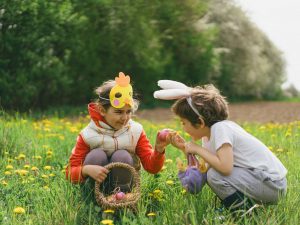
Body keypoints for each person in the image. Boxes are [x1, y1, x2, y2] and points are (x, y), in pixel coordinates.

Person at [154, 80, 287, 212]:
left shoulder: (220, 129)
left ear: (200, 122)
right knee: (212, 173)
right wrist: (185, 148)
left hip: (273, 185)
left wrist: (197, 149)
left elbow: (225, 168)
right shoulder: (209, 135)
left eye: (183, 123)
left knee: (215, 176)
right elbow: (203, 169)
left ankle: (245, 213)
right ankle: (246, 207)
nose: (182, 127)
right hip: (263, 181)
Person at [66, 72, 168, 200]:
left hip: (124, 186)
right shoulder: (88, 135)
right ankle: (93, 198)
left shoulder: (136, 131)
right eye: (119, 112)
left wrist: (159, 149)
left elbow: (152, 168)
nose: (125, 118)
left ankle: (121, 198)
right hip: (96, 185)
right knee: (96, 155)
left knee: (122, 155)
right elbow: (70, 172)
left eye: (128, 111)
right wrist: (85, 170)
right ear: (102, 110)